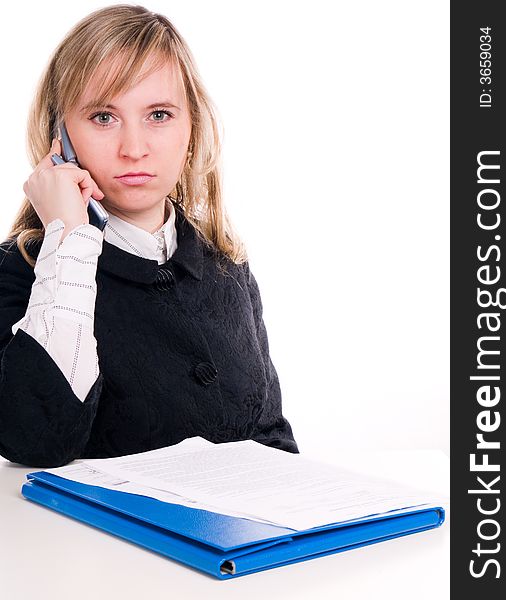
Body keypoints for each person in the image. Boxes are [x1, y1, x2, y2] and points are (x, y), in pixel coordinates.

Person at [0, 4, 298, 468]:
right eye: (103, 117)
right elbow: (36, 442)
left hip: (236, 539)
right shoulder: (22, 269)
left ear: (191, 128)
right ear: (60, 136)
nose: (134, 148)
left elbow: (271, 436)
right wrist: (69, 240)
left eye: (159, 115)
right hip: (87, 541)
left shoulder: (226, 264)